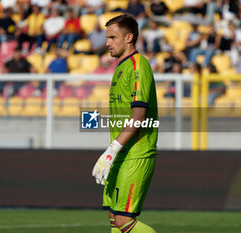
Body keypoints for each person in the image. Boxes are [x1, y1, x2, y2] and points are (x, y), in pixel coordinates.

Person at [92, 14, 158, 233]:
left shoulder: (139, 66)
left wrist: (111, 150)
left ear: (129, 37)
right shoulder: (121, 67)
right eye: (107, 37)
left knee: (123, 220)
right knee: (113, 217)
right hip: (121, 153)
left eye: (112, 37)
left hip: (136, 153)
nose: (108, 42)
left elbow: (138, 116)